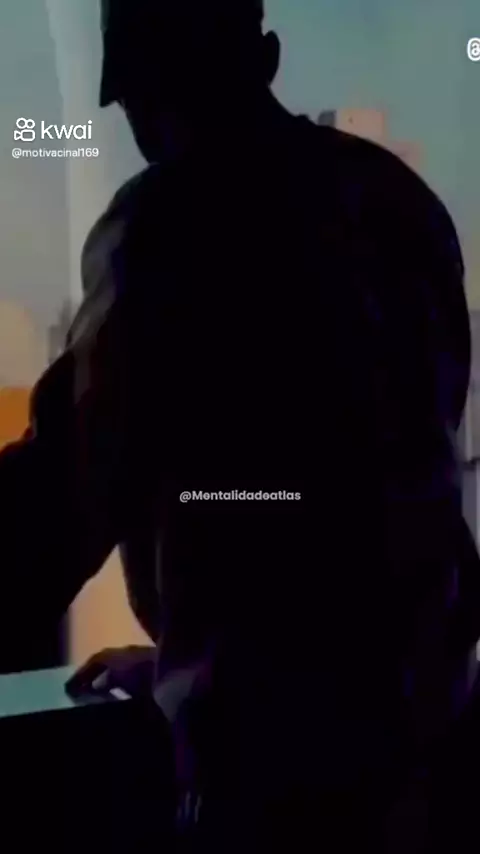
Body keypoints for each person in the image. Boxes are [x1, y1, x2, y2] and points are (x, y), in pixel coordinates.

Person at [1, 0, 479, 849]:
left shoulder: (168, 227)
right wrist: (193, 658)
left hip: (276, 784)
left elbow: (57, 505)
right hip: (435, 753)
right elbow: (367, 498)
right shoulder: (399, 205)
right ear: (266, 54)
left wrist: (216, 671)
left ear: (142, 89)